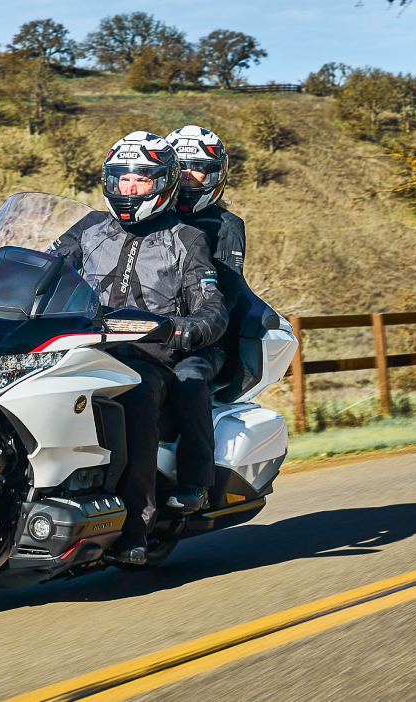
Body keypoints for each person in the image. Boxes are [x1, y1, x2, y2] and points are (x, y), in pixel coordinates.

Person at [49, 131, 229, 564]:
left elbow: (212, 301)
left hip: (148, 357)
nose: (129, 189)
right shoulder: (89, 227)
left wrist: (188, 328)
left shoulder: (186, 237)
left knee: (137, 398)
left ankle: (135, 528)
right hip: (80, 344)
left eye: (141, 180)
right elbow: (47, 266)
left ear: (163, 183)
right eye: (122, 179)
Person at [162, 125, 247, 512]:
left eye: (197, 168)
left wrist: (190, 328)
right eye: (181, 165)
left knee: (188, 379)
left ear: (215, 175)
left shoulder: (226, 226)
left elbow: (224, 295)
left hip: (205, 340)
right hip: (144, 331)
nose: (187, 175)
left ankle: (195, 482)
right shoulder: (152, 217)